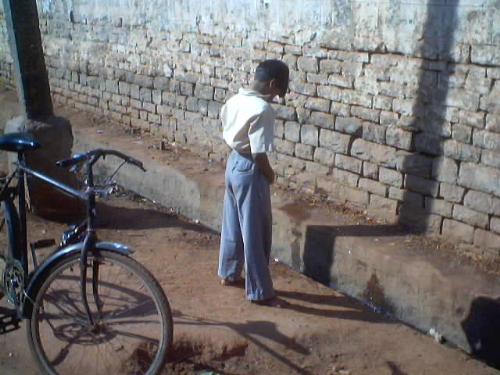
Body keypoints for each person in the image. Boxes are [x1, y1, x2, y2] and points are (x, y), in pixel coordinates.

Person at [218, 59, 289, 307]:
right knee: (255, 232)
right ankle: (260, 291)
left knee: (232, 224)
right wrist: (269, 175)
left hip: (233, 164)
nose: (277, 98)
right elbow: (259, 154)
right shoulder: (262, 109)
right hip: (250, 169)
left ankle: (228, 273)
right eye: (279, 92)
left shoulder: (235, 100)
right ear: (272, 85)